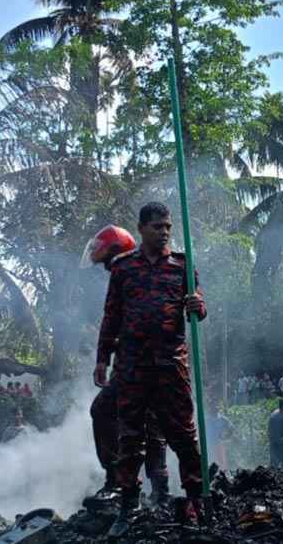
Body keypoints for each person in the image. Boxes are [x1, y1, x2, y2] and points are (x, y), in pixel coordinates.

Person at [96, 203, 208, 534]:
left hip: (172, 363)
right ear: (142, 228)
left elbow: (199, 307)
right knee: (130, 437)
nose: (164, 232)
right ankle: (128, 504)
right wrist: (103, 358)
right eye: (158, 226)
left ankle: (196, 501)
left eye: (168, 227)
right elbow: (111, 315)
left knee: (184, 436)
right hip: (132, 365)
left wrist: (198, 306)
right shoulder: (124, 268)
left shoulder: (182, 266)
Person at [82, 224, 173, 511]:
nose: (110, 269)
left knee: (143, 420)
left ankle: (136, 487)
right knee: (147, 422)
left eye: (109, 262)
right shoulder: (129, 274)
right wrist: (104, 357)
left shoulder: (146, 272)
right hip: (139, 364)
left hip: (152, 364)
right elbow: (113, 320)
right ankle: (146, 490)